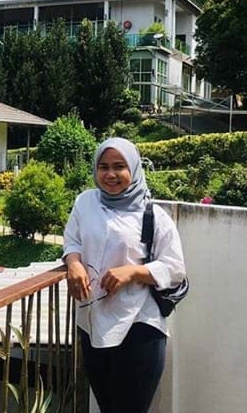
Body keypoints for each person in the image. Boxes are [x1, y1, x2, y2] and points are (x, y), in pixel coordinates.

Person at [63, 137, 186, 413]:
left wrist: (133, 272)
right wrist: (73, 263)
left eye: (119, 166)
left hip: (139, 325)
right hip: (92, 323)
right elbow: (72, 239)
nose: (110, 174)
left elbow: (175, 268)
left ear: (134, 168)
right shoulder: (85, 203)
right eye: (103, 167)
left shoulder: (153, 215)